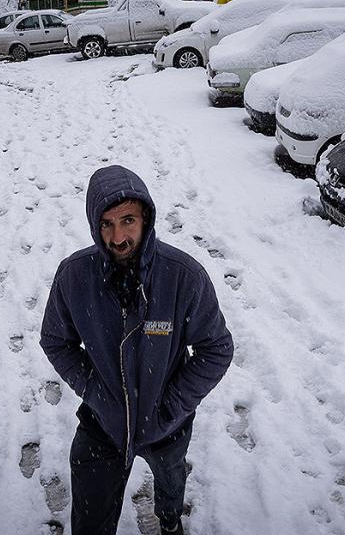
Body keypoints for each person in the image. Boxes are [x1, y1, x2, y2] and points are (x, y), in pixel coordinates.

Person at [41, 165, 234, 535]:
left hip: (167, 426)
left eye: (128, 220)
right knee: (90, 519)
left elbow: (216, 349)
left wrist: (171, 406)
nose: (118, 237)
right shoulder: (75, 276)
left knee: (171, 483)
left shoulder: (183, 276)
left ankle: (170, 519)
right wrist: (95, 392)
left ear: (146, 218)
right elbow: (55, 340)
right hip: (103, 425)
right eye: (107, 224)